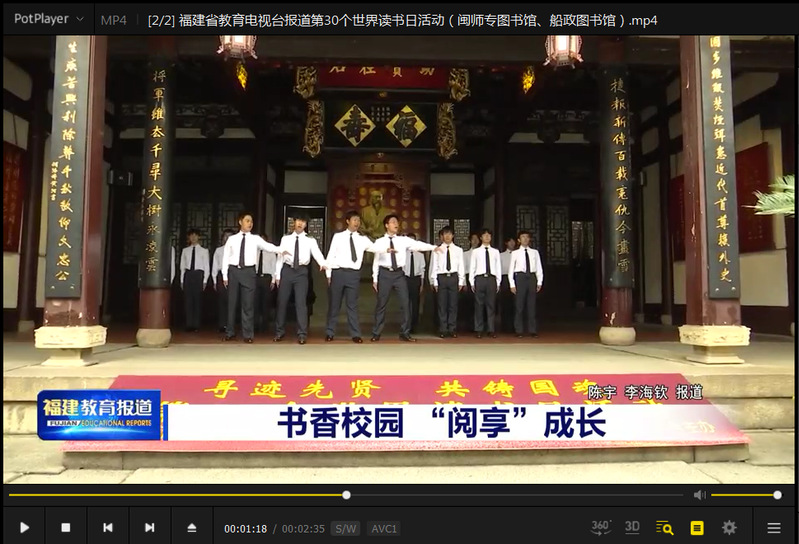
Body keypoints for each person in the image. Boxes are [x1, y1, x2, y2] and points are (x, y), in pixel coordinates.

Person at [367, 215, 442, 342]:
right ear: (386, 225)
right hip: (384, 274)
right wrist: (375, 278)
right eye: (393, 222)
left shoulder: (403, 240)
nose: (396, 224)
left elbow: (417, 245)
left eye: (397, 222)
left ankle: (405, 332)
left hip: (399, 274)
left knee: (406, 303)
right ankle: (376, 332)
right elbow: (376, 261)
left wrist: (433, 247)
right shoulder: (380, 242)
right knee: (381, 304)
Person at [222, 212, 285, 343]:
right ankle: (230, 332)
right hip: (234, 271)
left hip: (249, 272)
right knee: (232, 303)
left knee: (248, 304)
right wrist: (224, 275)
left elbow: (268, 247)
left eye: (251, 221)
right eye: (247, 221)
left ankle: (248, 335)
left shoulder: (255, 239)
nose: (250, 223)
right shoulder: (232, 239)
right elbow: (225, 257)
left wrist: (280, 250)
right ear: (240, 222)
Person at [274, 215, 327, 344]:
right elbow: (280, 257)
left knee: (301, 303)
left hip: (302, 272)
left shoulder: (310, 240)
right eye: (298, 221)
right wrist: (277, 275)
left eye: (303, 222)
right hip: (287, 270)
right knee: (282, 302)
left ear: (306, 224)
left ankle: (302, 334)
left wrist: (323, 263)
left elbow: (317, 253)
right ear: (294, 222)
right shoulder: (285, 238)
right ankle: (279, 332)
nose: (300, 224)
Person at [325, 210, 373, 343]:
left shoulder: (362, 239)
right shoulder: (338, 237)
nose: (357, 223)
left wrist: (386, 249)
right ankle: (330, 332)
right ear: (347, 221)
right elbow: (331, 254)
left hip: (353, 274)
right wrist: (328, 274)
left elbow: (375, 248)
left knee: (352, 305)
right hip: (338, 273)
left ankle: (355, 334)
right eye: (354, 220)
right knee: (334, 305)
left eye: (358, 220)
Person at [429, 226, 465, 338]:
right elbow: (434, 266)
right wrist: (435, 281)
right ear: (442, 236)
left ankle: (452, 328)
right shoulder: (437, 250)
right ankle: (443, 329)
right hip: (442, 277)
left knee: (453, 305)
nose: (448, 236)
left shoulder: (458, 250)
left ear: (453, 235)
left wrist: (461, 281)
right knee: (442, 305)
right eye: (445, 234)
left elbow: (461, 266)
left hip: (453, 277)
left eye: (449, 234)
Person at [509, 230, 544, 338]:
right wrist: (512, 284)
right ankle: (519, 330)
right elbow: (511, 269)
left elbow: (539, 267)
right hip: (520, 277)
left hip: (532, 277)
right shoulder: (515, 253)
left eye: (527, 237)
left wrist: (539, 281)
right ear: (519, 240)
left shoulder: (534, 252)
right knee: (519, 305)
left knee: (531, 305)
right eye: (523, 237)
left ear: (529, 239)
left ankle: (532, 330)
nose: (525, 239)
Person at [469, 228, 502, 339]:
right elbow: (472, 267)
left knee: (491, 305)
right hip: (480, 278)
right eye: (485, 235)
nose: (487, 237)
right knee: (479, 305)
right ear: (481, 238)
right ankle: (478, 329)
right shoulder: (476, 251)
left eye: (489, 235)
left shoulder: (495, 252)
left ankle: (491, 329)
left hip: (491, 279)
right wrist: (472, 282)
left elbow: (498, 267)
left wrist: (498, 282)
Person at [180, 229, 210, 332]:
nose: (193, 238)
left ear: (199, 237)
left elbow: (206, 266)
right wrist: (182, 280)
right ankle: (189, 324)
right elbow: (182, 266)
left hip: (198, 275)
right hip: (188, 274)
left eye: (195, 235)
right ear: (189, 237)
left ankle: (196, 324)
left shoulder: (204, 251)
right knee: (188, 300)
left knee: (197, 300)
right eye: (191, 236)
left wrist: (205, 280)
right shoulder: (185, 250)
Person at [211, 229, 235, 333]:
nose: (227, 238)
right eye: (226, 236)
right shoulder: (219, 250)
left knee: (232, 301)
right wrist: (214, 280)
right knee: (222, 300)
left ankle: (231, 324)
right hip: (221, 276)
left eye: (230, 236)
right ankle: (222, 324)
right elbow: (215, 266)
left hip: (233, 275)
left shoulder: (235, 250)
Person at [403, 233, 427, 335]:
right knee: (405, 303)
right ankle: (405, 325)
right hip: (405, 279)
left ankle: (414, 325)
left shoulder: (420, 255)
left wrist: (421, 283)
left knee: (415, 304)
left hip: (416, 280)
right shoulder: (403, 254)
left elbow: (422, 270)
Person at [255, 234, 278, 334]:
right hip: (255, 277)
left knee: (266, 302)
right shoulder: (253, 252)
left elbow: (274, 267)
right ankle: (255, 324)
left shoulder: (271, 252)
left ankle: (265, 325)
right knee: (255, 302)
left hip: (267, 278)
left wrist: (273, 280)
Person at [460, 231, 481, 332]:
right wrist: (463, 282)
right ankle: (469, 324)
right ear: (470, 241)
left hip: (480, 278)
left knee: (480, 303)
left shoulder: (482, 253)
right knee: (469, 302)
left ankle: (479, 325)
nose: (475, 241)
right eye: (473, 239)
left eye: (477, 239)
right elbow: (463, 269)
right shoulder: (465, 254)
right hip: (468, 278)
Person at [499, 236, 516, 333]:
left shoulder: (518, 254)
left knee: (516, 303)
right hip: (505, 279)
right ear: (506, 243)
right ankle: (505, 325)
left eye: (513, 241)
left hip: (516, 278)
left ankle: (515, 325)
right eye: (510, 241)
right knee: (505, 303)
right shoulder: (501, 255)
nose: (512, 243)